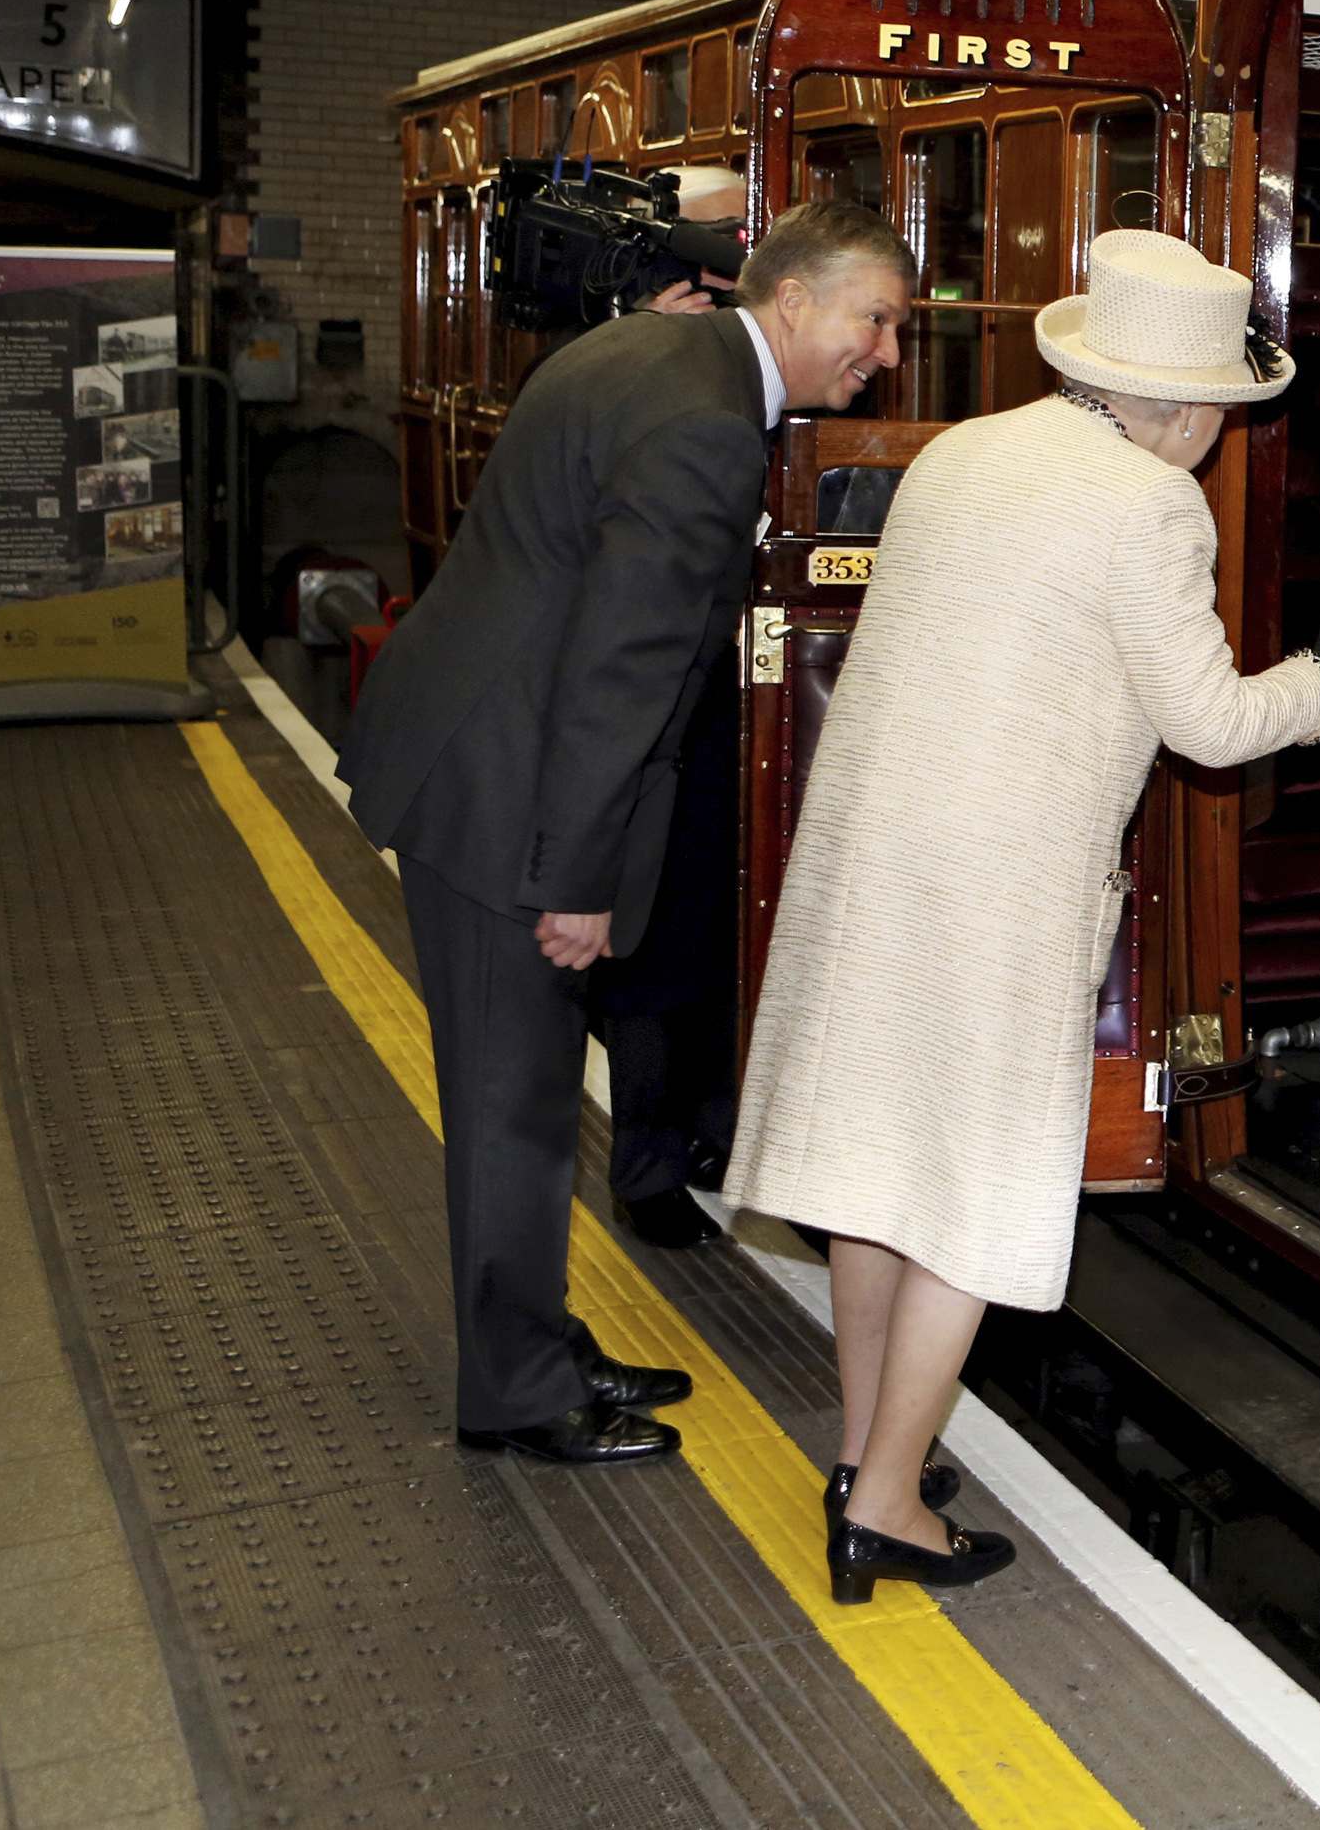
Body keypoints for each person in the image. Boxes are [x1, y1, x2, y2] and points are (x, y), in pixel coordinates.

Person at [724, 228, 1320, 1600]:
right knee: (965, 1192)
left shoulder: (962, 453)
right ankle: (889, 1507)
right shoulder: (1150, 506)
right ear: (1188, 405)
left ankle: (865, 1453)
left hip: (867, 866)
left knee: (869, 1173)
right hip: (990, 897)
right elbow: (1209, 725)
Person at [343, 199, 915, 1466]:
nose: (883, 353)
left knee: (530, 1098)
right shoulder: (709, 422)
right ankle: (515, 1391)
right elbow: (624, 668)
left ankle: (534, 1336)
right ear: (796, 297)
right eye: (873, 319)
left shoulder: (645, 348)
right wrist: (577, 877)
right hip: (505, 789)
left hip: (475, 747)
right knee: (514, 1108)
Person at [596, 161, 758, 1249]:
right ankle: (645, 1156)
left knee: (722, 919)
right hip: (657, 704)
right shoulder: (629, 365)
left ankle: (713, 1126)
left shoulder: (758, 366)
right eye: (713, 241)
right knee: (651, 941)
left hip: (746, 695)